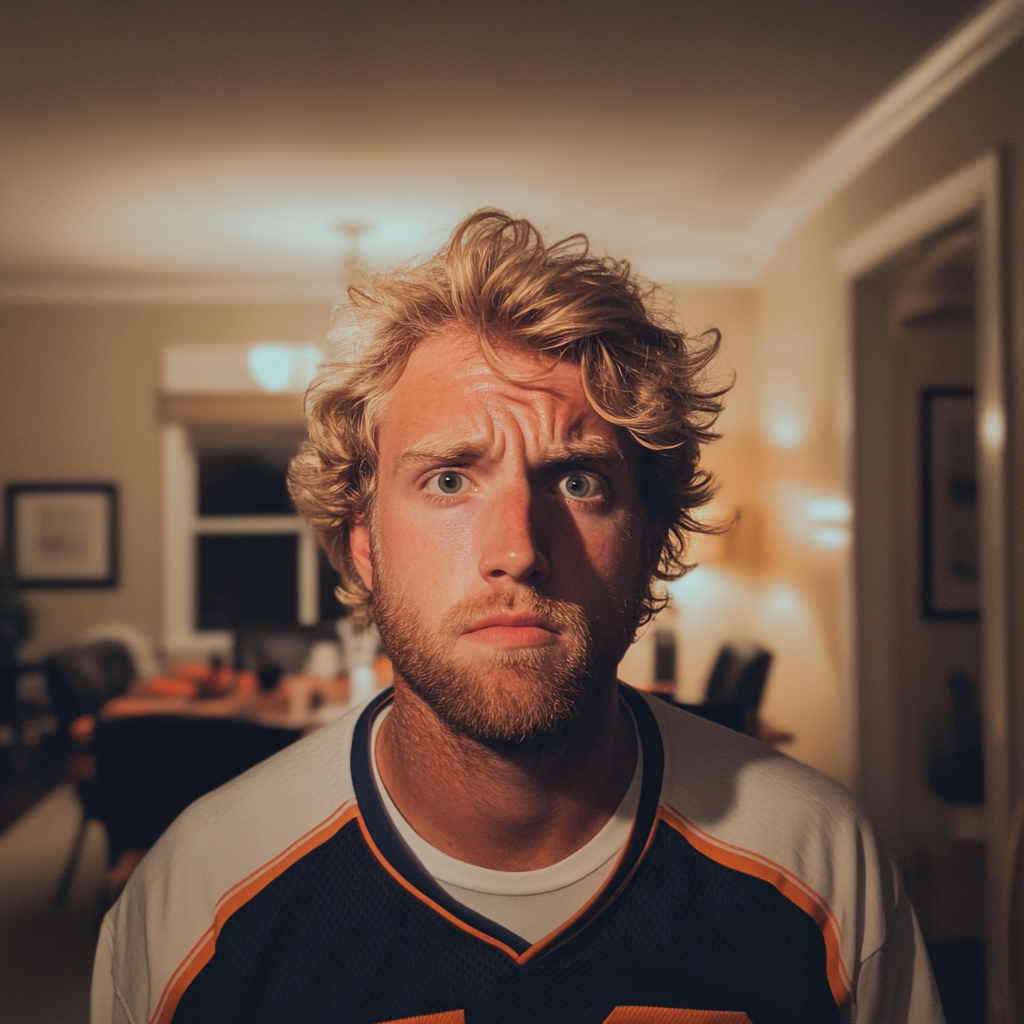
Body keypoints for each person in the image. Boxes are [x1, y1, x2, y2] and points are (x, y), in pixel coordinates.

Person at [92, 211, 943, 1024]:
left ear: (651, 538)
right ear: (363, 544)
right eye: (449, 480)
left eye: (577, 481)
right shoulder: (198, 895)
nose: (518, 550)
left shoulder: (823, 861)